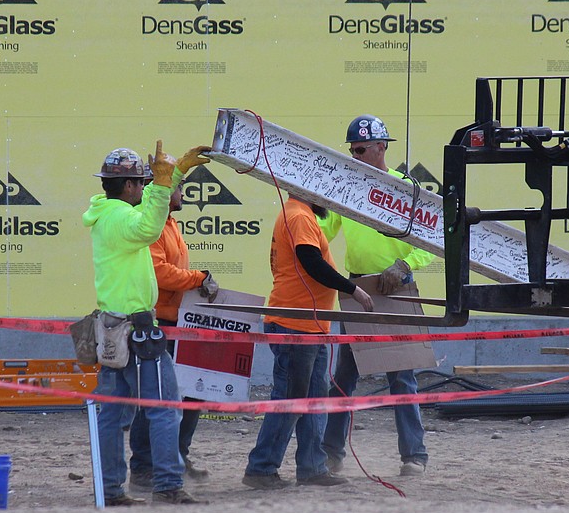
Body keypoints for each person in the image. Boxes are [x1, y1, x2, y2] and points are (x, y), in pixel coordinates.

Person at [82, 142, 211, 506]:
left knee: (111, 415)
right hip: (137, 331)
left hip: (113, 330)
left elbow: (151, 205)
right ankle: (168, 483)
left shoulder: (108, 214)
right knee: (165, 409)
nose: (144, 188)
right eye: (140, 183)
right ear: (127, 187)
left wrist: (175, 175)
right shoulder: (122, 220)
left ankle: (110, 489)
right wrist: (164, 183)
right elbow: (151, 223)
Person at [320, 115, 434, 476]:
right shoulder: (348, 190)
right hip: (359, 290)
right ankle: (331, 453)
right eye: (352, 150)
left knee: (402, 377)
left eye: (360, 150)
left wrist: (405, 265)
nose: (353, 156)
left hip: (396, 289)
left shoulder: (407, 190)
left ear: (381, 147)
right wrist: (300, 211)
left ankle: (414, 456)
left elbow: (431, 243)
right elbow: (323, 228)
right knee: (344, 376)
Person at [242, 193, 374, 490]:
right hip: (295, 325)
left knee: (312, 396)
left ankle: (313, 467)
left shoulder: (300, 214)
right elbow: (312, 262)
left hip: (307, 325)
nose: (327, 199)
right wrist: (351, 288)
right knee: (292, 399)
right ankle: (261, 468)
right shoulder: (300, 216)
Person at [142, 181, 220, 484]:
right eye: (179, 188)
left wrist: (196, 281)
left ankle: (176, 456)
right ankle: (147, 465)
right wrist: (198, 279)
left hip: (178, 320)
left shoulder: (169, 223)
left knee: (192, 392)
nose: (183, 193)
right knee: (161, 397)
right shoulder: (154, 227)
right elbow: (159, 272)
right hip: (163, 323)